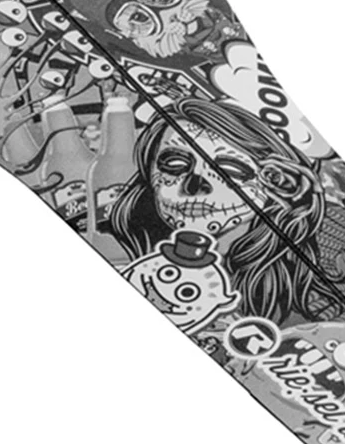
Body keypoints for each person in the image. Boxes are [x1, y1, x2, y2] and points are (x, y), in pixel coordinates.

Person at [110, 97, 325, 321]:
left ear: (276, 185)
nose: (194, 185)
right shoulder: (127, 259)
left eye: (229, 170)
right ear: (149, 173)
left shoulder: (296, 294)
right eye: (175, 164)